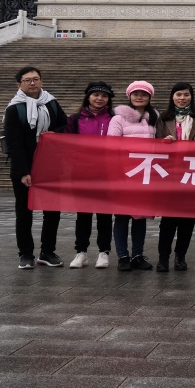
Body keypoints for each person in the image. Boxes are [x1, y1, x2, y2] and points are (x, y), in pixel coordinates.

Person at [3, 66, 67, 269]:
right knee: (24, 211)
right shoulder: (14, 109)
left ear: (41, 81)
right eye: (28, 80)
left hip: (50, 164)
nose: (33, 83)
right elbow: (14, 144)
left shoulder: (51, 103)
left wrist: (54, 134)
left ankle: (48, 252)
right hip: (25, 166)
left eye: (36, 79)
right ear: (19, 84)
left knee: (52, 210)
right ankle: (25, 254)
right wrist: (23, 172)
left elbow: (65, 125)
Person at [108, 80, 166, 272]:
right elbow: (111, 146)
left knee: (140, 216)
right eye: (136, 94)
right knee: (122, 216)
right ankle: (123, 256)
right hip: (125, 174)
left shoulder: (154, 118)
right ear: (129, 96)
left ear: (149, 97)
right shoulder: (118, 119)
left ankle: (138, 255)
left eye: (144, 94)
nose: (139, 97)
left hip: (145, 174)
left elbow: (158, 143)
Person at [63, 81, 115, 269]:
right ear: (88, 97)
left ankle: (104, 252)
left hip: (107, 172)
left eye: (104, 96)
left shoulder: (114, 118)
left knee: (104, 214)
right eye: (96, 95)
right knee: (83, 214)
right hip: (82, 172)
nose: (99, 98)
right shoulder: (76, 118)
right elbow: (66, 143)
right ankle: (81, 252)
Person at [157, 82, 195, 272]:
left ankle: (180, 256)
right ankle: (163, 258)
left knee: (187, 219)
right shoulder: (163, 118)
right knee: (168, 220)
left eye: (186, 95)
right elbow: (154, 143)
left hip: (193, 173)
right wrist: (163, 142)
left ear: (191, 96)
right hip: (170, 174)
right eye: (178, 95)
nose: (182, 98)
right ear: (172, 97)